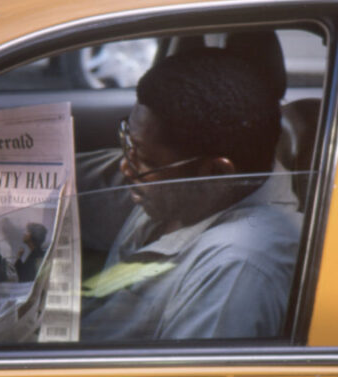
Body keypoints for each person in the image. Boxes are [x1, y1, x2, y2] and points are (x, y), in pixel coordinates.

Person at [79, 48, 302, 340]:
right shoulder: (186, 191)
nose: (126, 166)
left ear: (215, 174)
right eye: (127, 142)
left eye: (144, 158)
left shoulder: (237, 268)